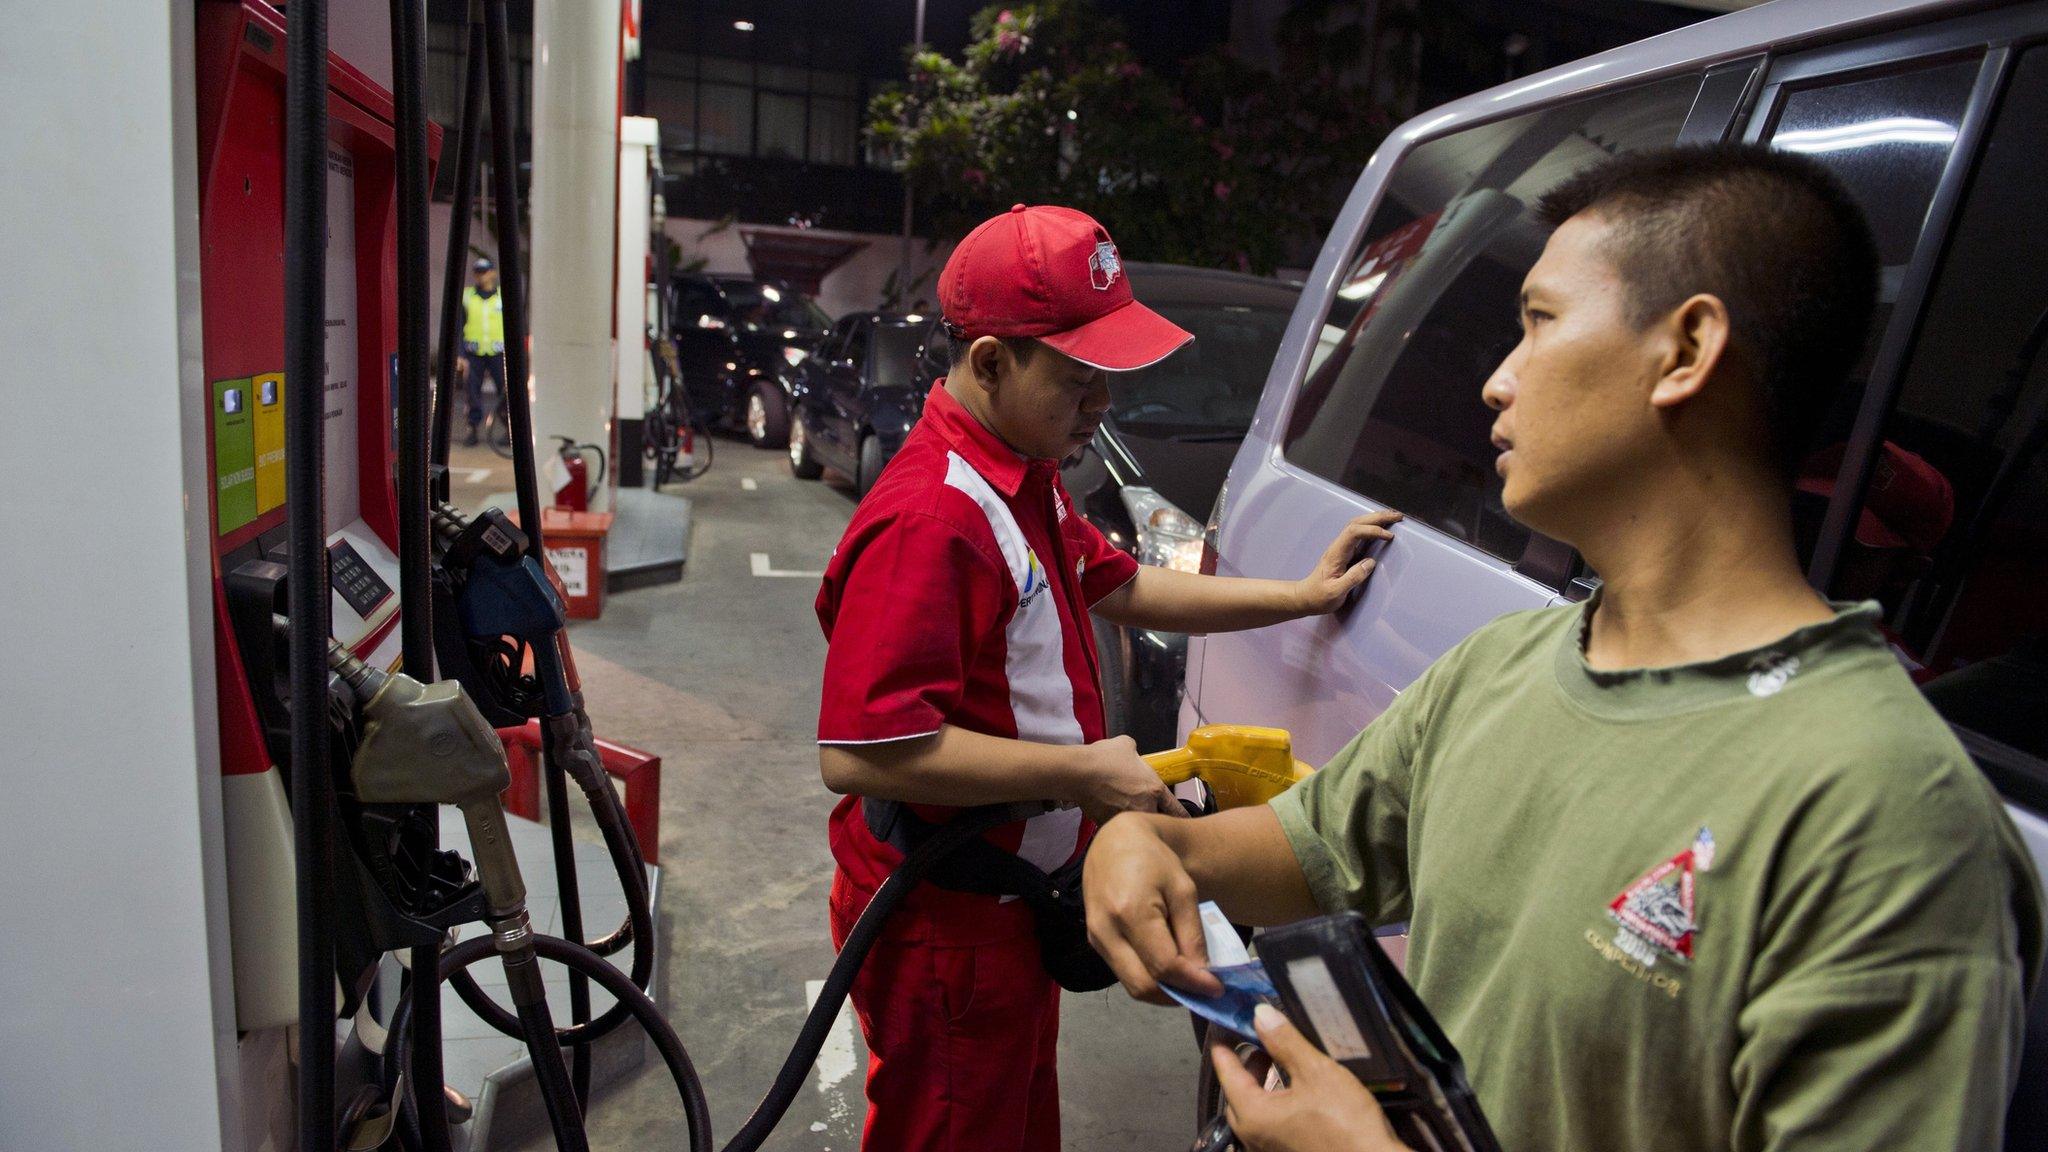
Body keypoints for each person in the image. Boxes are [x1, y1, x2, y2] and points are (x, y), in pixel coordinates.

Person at [1083, 145, 2044, 1152]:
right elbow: (1307, 846)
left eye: (1537, 322)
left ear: (1685, 350)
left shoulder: (1888, 819)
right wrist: (1151, 843)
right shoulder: (1503, 668)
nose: (1494, 383)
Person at [814, 203, 1403, 1152]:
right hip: (943, 919)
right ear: (993, 361)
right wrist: (1083, 774)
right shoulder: (935, 516)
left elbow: (1125, 585)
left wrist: (1300, 596)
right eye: (1079, 376)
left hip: (1002, 905)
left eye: (1109, 376)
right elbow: (863, 753)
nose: (1102, 402)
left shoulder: (1019, 469)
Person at [457, 257, 505, 446]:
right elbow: (458, 326)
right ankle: (472, 429)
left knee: (505, 392)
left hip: (498, 353)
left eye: (484, 271)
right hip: (473, 352)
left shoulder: (502, 296)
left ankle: (509, 430)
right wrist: (460, 354)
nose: (481, 276)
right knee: (472, 392)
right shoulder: (467, 296)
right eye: (477, 272)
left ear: (493, 273)